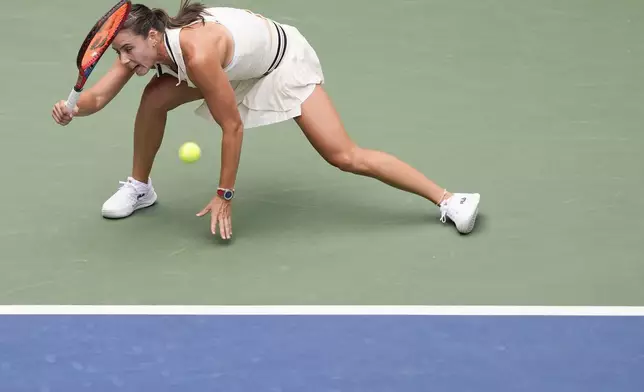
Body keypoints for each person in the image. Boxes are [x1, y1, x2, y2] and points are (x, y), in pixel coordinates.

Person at [51, 1, 481, 239]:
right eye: (117, 54)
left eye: (127, 50)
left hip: (280, 63)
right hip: (235, 67)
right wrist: (73, 108)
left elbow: (231, 126)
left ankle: (449, 199)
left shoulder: (198, 54)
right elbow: (99, 97)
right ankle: (140, 188)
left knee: (343, 155)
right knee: (154, 96)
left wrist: (224, 193)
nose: (124, 60)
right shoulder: (146, 49)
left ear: (151, 35)